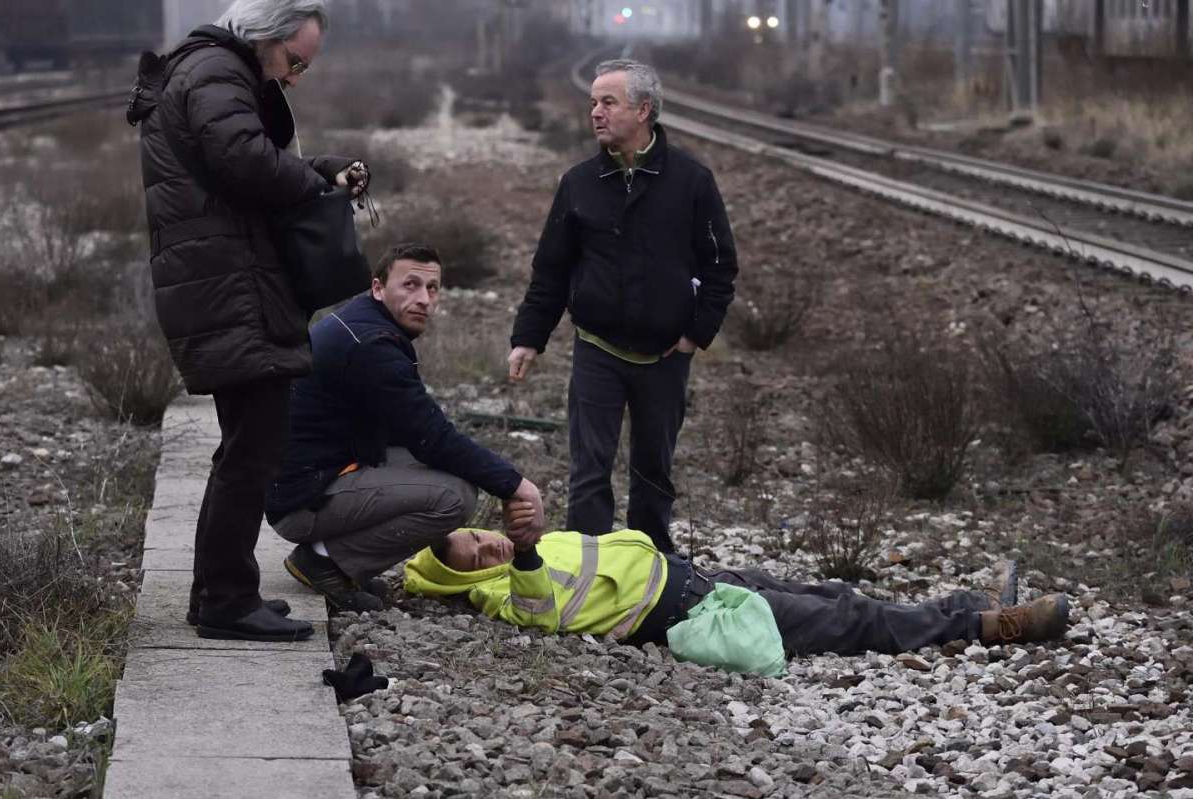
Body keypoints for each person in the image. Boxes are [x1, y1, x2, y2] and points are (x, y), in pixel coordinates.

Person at [132, 0, 370, 642]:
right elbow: (244, 160)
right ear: (263, 38)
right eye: (294, 62)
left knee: (247, 444)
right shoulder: (216, 71)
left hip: (223, 281)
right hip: (228, 286)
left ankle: (217, 591)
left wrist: (318, 170)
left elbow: (243, 158)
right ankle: (228, 601)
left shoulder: (214, 70)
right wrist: (315, 184)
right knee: (254, 448)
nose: (294, 77)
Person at [508, 59, 738, 554]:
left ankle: (649, 561)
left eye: (608, 102)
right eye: (593, 102)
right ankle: (587, 563)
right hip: (597, 347)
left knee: (654, 467)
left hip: (665, 354)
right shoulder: (580, 182)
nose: (595, 112)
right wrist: (529, 337)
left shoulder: (691, 181)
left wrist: (695, 334)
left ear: (644, 110)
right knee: (589, 466)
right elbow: (551, 269)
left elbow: (721, 266)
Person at [265, 243, 546, 612]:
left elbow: (418, 432)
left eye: (432, 289)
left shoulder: (365, 323)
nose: (424, 299)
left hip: (306, 477)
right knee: (455, 496)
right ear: (378, 288)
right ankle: (324, 561)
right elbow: (432, 437)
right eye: (410, 285)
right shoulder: (373, 347)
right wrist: (518, 486)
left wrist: (499, 477)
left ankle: (339, 558)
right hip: (300, 501)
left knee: (447, 468)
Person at [404, 519, 1071, 662]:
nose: (487, 545)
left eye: (480, 536)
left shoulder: (517, 543)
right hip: (691, 611)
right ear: (468, 576)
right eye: (475, 556)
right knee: (849, 621)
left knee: (835, 592)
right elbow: (536, 609)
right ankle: (994, 625)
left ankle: (966, 608)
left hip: (695, 575)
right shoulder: (501, 588)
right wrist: (517, 555)